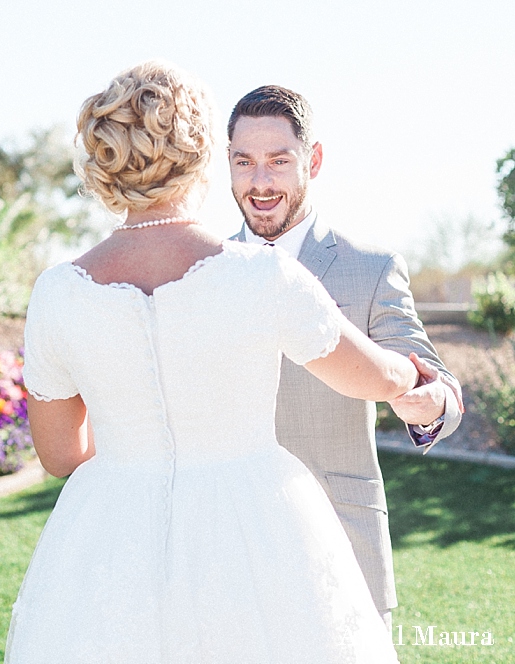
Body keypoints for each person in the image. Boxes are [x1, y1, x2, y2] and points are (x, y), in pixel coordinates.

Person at [5, 60, 412, 663]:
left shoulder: (59, 293)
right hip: (257, 526)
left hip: (112, 534)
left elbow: (61, 454)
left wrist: (137, 443)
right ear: (202, 156)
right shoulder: (262, 276)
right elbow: (375, 377)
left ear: (106, 161)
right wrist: (410, 375)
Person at [226, 85, 464, 626]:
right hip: (228, 546)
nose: (260, 182)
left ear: (313, 160)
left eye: (278, 162)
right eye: (244, 162)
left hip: (342, 540)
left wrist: (427, 406)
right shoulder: (202, 271)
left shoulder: (371, 268)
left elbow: (437, 383)